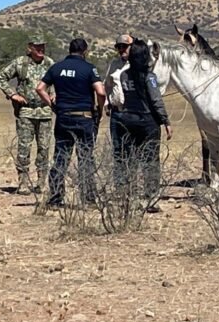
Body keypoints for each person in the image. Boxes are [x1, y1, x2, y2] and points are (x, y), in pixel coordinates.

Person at [36, 38, 106, 207]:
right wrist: (99, 109)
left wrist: (52, 105)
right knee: (85, 159)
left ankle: (55, 198)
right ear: (85, 51)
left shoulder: (56, 67)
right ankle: (88, 199)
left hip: (63, 118)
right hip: (84, 118)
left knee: (60, 158)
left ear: (69, 50)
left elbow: (39, 88)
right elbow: (101, 92)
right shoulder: (89, 68)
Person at [115, 39, 173, 213]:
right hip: (147, 121)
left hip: (127, 119)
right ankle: (151, 198)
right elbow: (156, 100)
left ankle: (129, 197)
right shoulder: (149, 77)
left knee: (129, 159)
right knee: (150, 160)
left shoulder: (124, 75)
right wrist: (166, 121)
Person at [0, 35, 55, 195]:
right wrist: (13, 95)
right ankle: (23, 182)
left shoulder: (50, 63)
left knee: (44, 148)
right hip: (26, 112)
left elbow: (58, 82)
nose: (41, 49)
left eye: (43, 46)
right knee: (24, 148)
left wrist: (55, 94)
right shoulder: (20, 63)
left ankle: (41, 183)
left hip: (45, 112)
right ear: (30, 48)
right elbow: (0, 77)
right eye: (37, 46)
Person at [103, 34, 133, 181]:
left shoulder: (138, 64)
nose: (122, 50)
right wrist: (106, 103)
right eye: (119, 47)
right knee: (118, 150)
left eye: (125, 46)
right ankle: (120, 185)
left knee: (133, 149)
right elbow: (107, 85)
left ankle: (133, 183)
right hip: (116, 114)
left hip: (132, 113)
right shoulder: (114, 64)